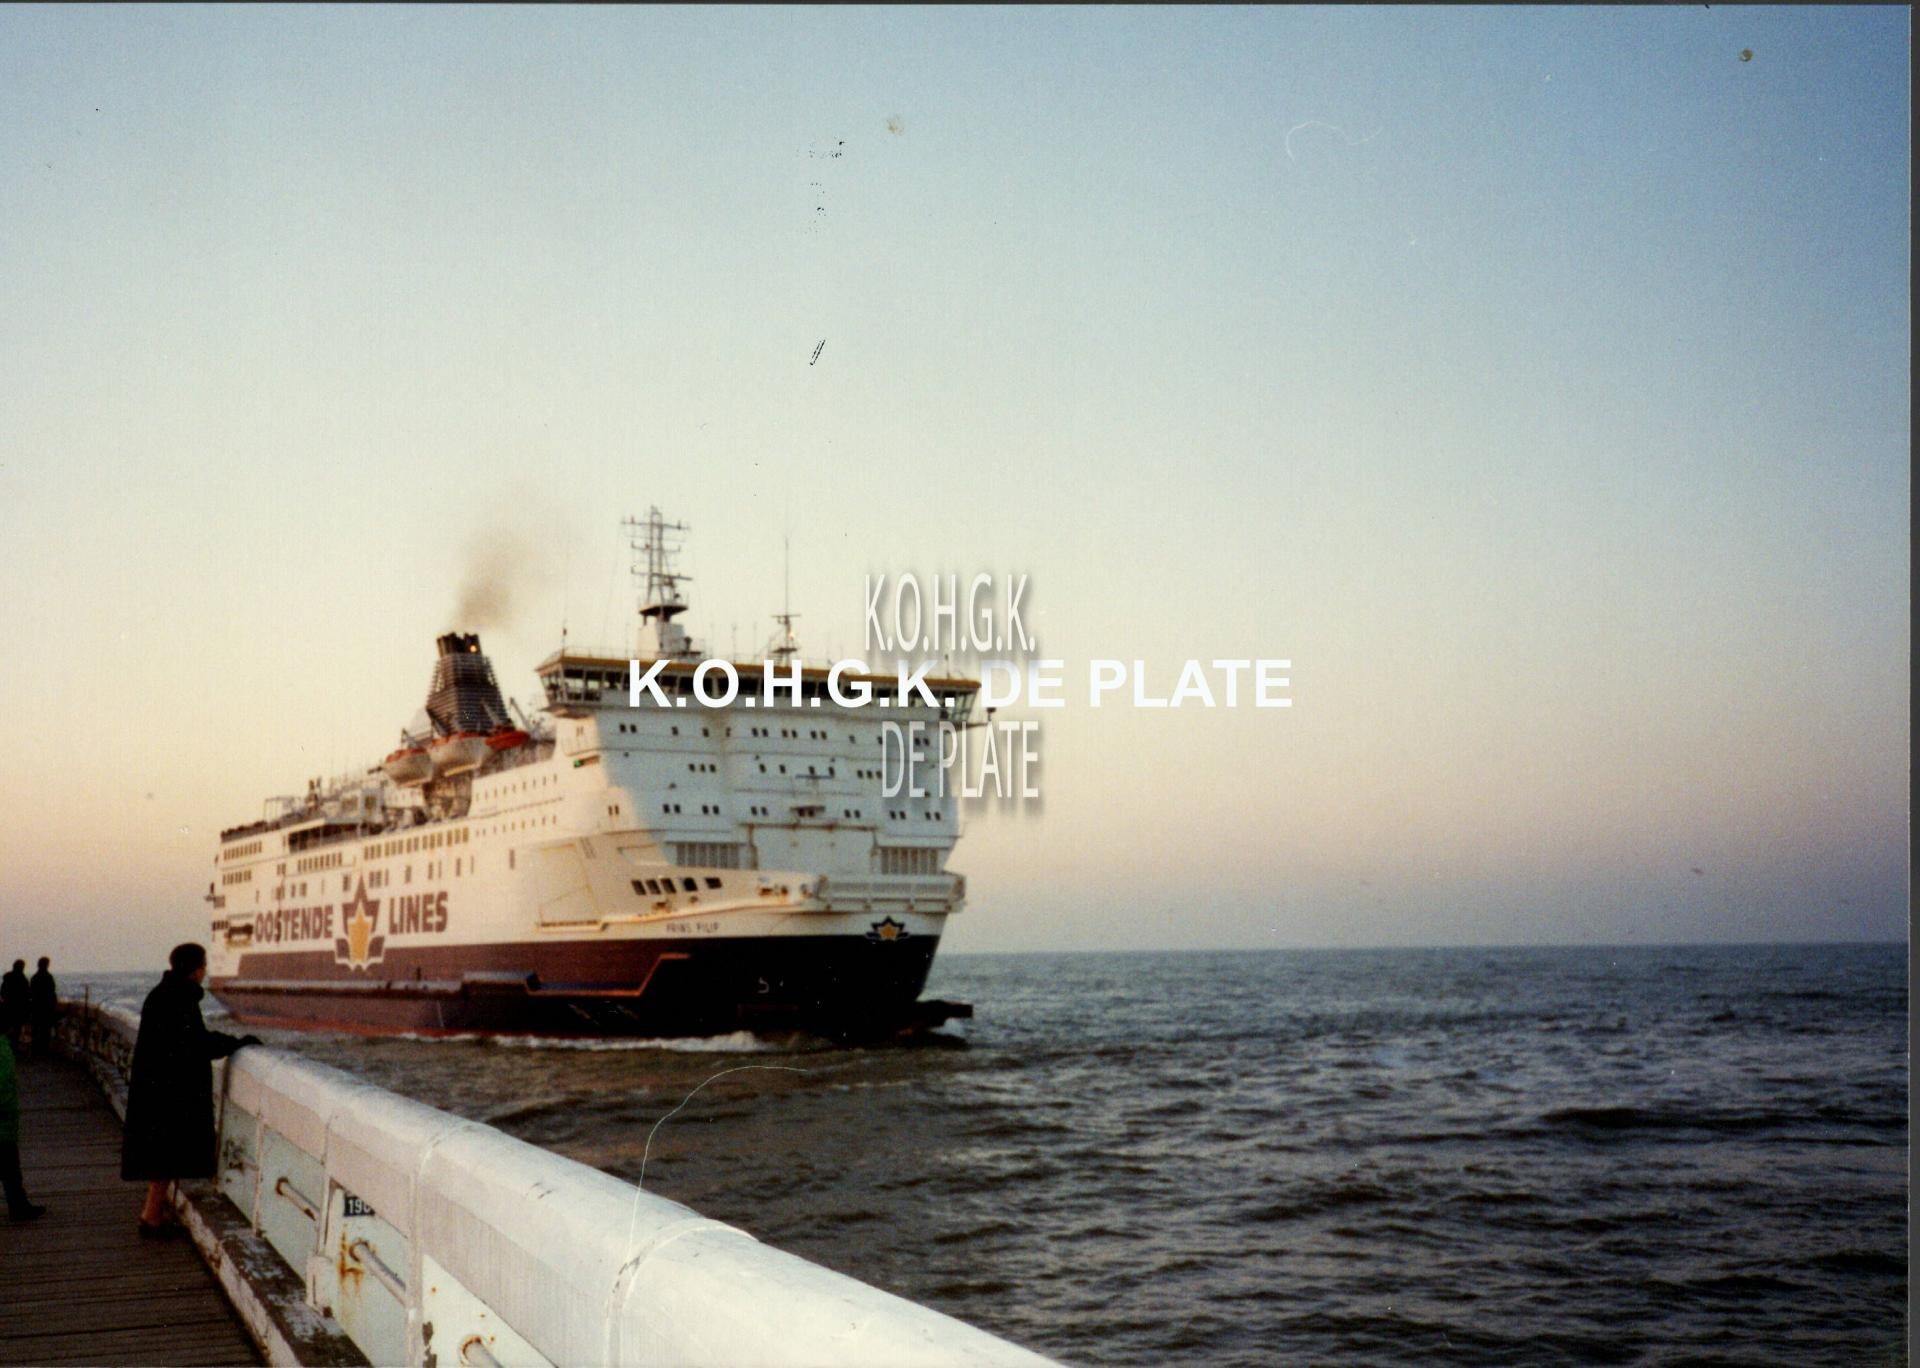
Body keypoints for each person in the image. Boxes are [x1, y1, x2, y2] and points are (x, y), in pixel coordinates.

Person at [120, 943, 260, 1236]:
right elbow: (196, 1043)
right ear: (196, 969)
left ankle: (153, 1214)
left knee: (162, 1156)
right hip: (171, 1091)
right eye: (203, 966)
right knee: (165, 1156)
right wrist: (235, 1043)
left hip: (157, 1086)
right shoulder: (180, 997)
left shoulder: (162, 994)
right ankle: (151, 1218)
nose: (205, 971)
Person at [1, 1034, 46, 1220]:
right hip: (4, 1118)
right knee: (9, 1166)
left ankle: (18, 1204)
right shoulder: (2, 1047)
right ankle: (18, 1205)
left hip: (6, 1117)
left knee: (9, 1166)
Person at [29, 957, 57, 1058]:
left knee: (36, 1029)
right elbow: (52, 992)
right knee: (45, 1030)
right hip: (46, 1007)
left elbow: (31, 992)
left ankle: (35, 1050)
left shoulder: (35, 977)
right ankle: (43, 1050)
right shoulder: (48, 977)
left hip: (36, 1007)